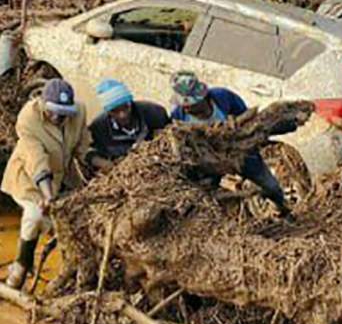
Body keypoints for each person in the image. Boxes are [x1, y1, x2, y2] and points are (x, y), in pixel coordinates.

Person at [2, 80, 94, 289]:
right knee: (35, 216)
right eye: (54, 112)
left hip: (61, 177)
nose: (59, 118)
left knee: (76, 220)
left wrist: (102, 165)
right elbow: (37, 161)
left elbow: (83, 148)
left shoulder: (78, 112)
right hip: (29, 178)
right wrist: (48, 197)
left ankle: (72, 272)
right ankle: (20, 267)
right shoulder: (28, 119)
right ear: (44, 105)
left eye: (64, 113)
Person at [169, 71, 289, 216]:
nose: (186, 108)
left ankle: (283, 210)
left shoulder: (223, 98)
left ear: (202, 98)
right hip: (209, 162)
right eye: (183, 104)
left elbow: (247, 123)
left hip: (240, 154)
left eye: (190, 104)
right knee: (203, 198)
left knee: (271, 186)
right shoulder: (178, 116)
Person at [88, 79, 169, 163]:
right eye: (115, 111)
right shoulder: (99, 128)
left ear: (130, 102)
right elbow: (89, 152)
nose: (122, 115)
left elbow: (171, 134)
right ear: (107, 111)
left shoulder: (154, 113)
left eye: (125, 107)